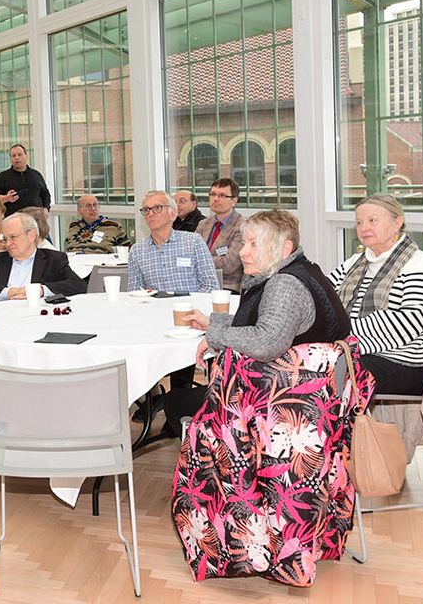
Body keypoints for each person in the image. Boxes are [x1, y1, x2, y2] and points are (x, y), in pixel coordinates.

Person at [171, 210, 364, 586]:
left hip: (283, 418)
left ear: (285, 248)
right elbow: (269, 328)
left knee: (195, 425)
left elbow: (266, 342)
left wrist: (216, 336)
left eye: (254, 243)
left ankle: (238, 543)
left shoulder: (284, 285)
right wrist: (215, 326)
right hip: (312, 410)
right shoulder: (302, 271)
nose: (243, 251)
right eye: (244, 242)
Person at [329, 194, 423, 396]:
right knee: (297, 363)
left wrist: (339, 330)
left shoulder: (420, 264)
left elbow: (405, 325)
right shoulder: (355, 263)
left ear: (397, 223)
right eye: (359, 222)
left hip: (406, 364)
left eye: (372, 220)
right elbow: (322, 297)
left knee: (323, 373)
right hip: (359, 352)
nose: (364, 227)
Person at [0, 212, 85, 305]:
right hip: (3, 318)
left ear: (31, 235)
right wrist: (8, 292)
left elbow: (79, 286)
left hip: (40, 318)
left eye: (13, 237)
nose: (8, 244)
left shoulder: (53, 259)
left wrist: (42, 290)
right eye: (5, 239)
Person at [127, 191, 218, 295]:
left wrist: (188, 303)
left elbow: (211, 286)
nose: (150, 214)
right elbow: (134, 293)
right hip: (154, 305)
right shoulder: (137, 251)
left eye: (157, 208)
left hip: (190, 304)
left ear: (173, 214)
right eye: (146, 209)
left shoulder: (194, 242)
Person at [196, 177, 244, 292]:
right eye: (213, 194)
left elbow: (228, 265)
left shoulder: (242, 226)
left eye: (222, 195)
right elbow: (189, 254)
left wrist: (199, 260)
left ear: (234, 201)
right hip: (199, 284)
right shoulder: (203, 224)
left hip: (227, 287)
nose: (215, 199)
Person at [0, 144, 51, 215]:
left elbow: (45, 194)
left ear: (26, 156)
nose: (17, 157)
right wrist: (6, 198)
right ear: (10, 159)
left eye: (20, 154)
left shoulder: (36, 175)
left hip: (36, 218)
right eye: (13, 155)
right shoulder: (2, 177)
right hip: (12, 219)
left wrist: (46, 209)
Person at [64, 194, 129, 254]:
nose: (93, 209)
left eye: (95, 205)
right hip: (75, 261)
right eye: (88, 206)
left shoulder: (114, 226)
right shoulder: (74, 226)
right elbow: (66, 248)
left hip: (102, 261)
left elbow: (126, 251)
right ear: (80, 210)